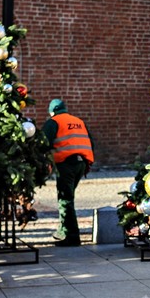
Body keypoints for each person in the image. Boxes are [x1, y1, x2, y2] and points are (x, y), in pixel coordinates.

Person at [43, 99, 94, 246]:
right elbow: (91, 142)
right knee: (68, 198)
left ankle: (72, 236)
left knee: (65, 199)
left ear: (52, 111)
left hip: (66, 164)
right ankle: (62, 231)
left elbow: (44, 142)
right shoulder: (78, 121)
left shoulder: (54, 122)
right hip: (81, 163)